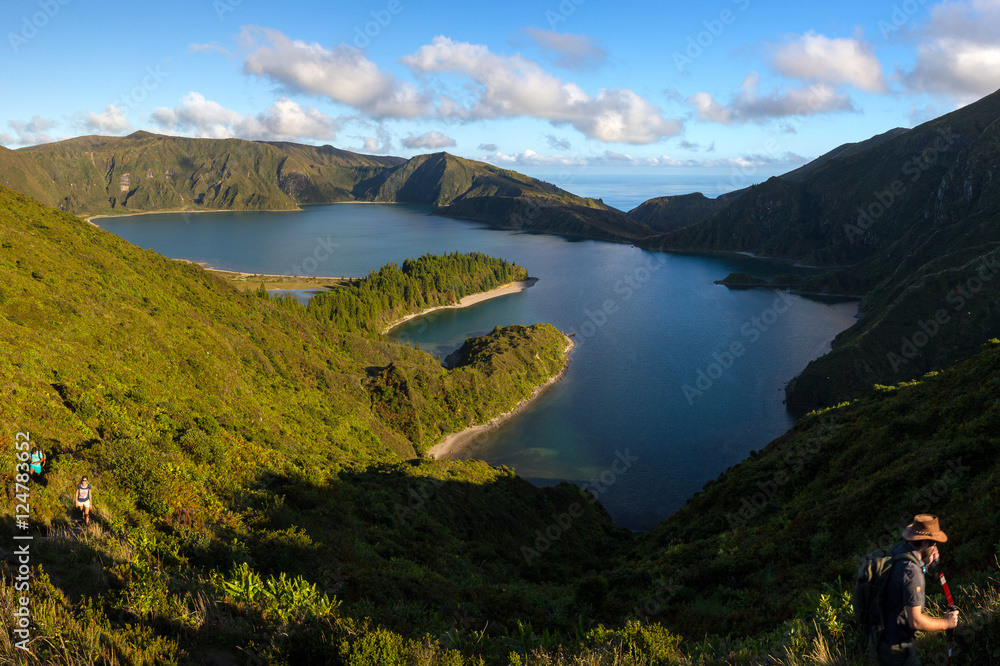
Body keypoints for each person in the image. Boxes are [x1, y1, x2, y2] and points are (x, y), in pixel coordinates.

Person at [878, 514, 960, 665]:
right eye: (934, 544)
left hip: (882, 639)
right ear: (923, 542)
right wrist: (947, 623)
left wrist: (927, 561)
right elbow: (915, 621)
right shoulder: (912, 570)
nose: (936, 548)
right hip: (898, 649)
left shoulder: (899, 550)